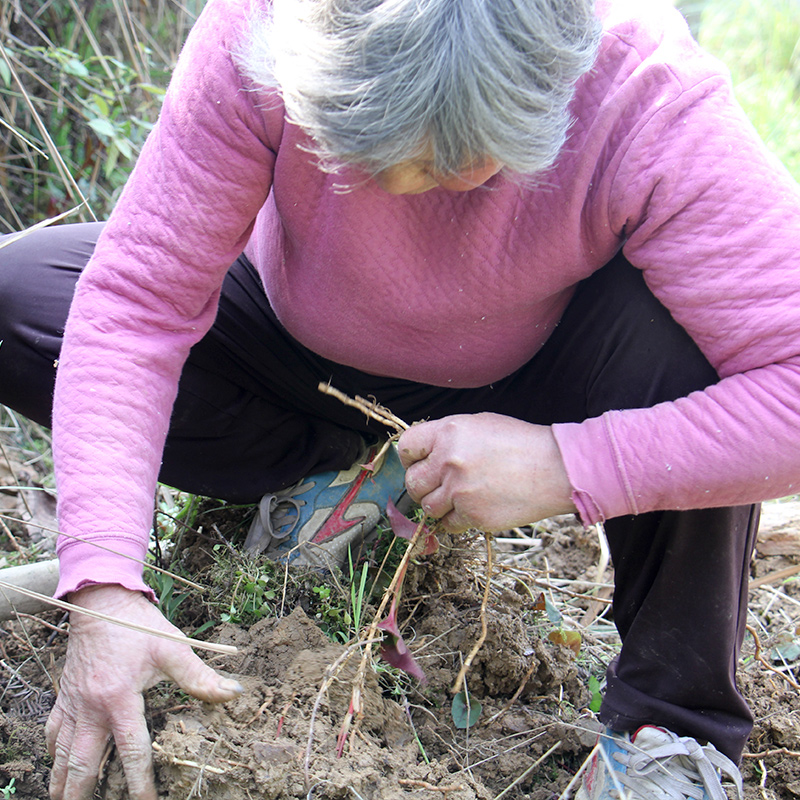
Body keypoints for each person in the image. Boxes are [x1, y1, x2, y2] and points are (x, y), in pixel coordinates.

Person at [1, 0, 799, 796]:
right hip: (297, 351)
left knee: (703, 344)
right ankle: (345, 473)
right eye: (358, 149)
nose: (396, 187)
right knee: (20, 300)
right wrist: (103, 584)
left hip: (540, 367)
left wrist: (566, 463)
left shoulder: (643, 93)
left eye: (447, 164)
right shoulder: (266, 31)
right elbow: (138, 306)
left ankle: (668, 728)